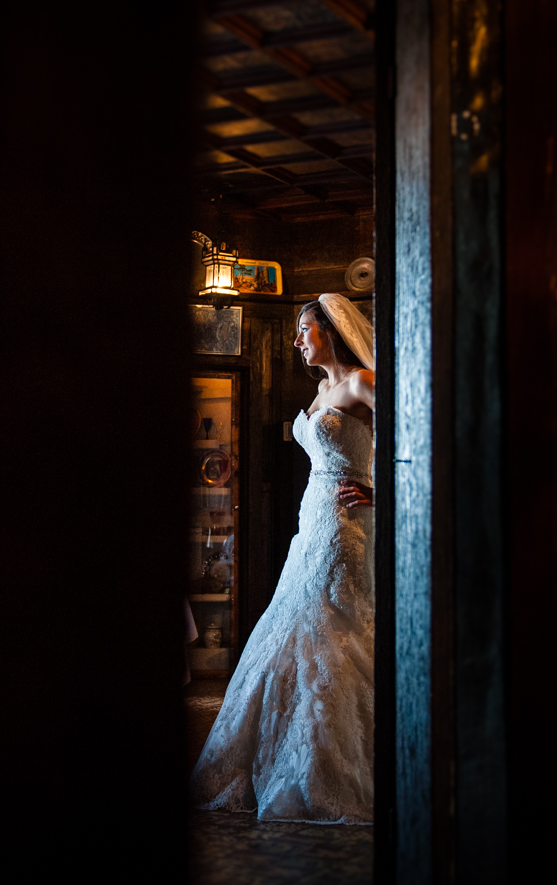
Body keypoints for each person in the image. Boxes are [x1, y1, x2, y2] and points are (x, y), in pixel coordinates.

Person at [188, 293, 375, 825]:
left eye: (305, 330)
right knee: (292, 630)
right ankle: (273, 759)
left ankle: (336, 770)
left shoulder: (363, 382)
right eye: (295, 332)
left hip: (346, 527)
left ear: (330, 332)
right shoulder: (321, 390)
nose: (297, 341)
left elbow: (417, 432)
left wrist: (382, 491)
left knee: (335, 631)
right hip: (311, 524)